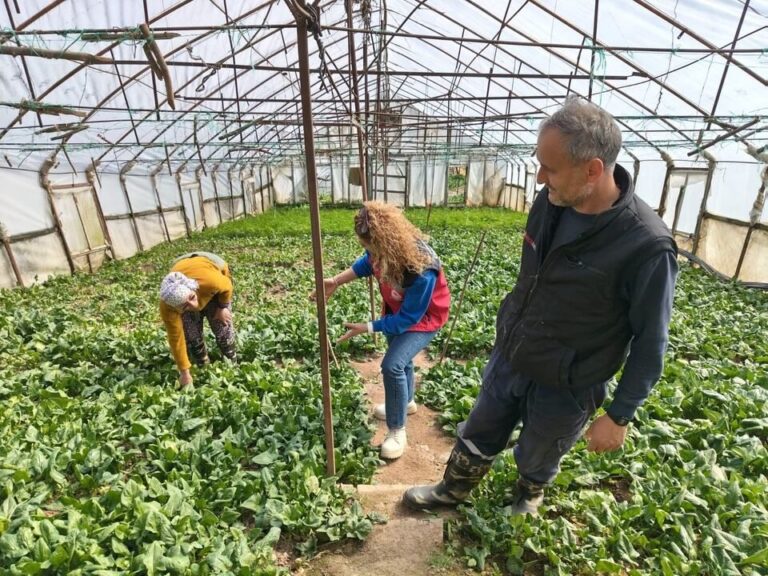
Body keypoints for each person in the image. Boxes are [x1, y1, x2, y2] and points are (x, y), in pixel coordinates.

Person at [403, 97, 678, 514]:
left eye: (550, 168)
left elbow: (651, 340)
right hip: (515, 351)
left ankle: (529, 493)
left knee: (541, 448)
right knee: (481, 426)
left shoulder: (646, 245)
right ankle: (452, 488)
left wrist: (620, 415)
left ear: (592, 170)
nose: (539, 177)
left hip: (570, 379)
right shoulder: (551, 201)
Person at [313, 201, 451, 460]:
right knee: (402, 360)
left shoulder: (422, 270)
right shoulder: (380, 253)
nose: (369, 253)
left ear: (386, 243)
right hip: (397, 309)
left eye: (370, 248)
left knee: (392, 365)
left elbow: (407, 320)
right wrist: (336, 281)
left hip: (425, 318)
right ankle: (405, 402)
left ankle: (397, 431)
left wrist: (367, 327)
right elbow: (366, 264)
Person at [159, 251, 237, 387]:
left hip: (209, 271)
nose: (193, 305)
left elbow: (227, 286)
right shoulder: (168, 307)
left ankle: (232, 362)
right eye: (185, 306)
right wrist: (184, 372)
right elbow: (176, 338)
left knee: (222, 326)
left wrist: (222, 307)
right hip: (184, 271)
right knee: (191, 334)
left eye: (192, 298)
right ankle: (203, 364)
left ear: (192, 288)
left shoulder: (211, 281)